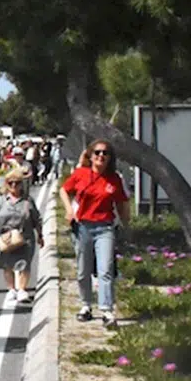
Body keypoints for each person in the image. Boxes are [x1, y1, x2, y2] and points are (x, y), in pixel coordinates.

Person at [61, 140, 130, 326]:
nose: (101, 156)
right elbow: (64, 190)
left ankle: (107, 310)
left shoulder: (114, 179)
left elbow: (122, 203)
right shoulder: (81, 174)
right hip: (83, 226)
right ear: (90, 156)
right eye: (97, 152)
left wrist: (126, 225)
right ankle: (86, 305)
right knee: (83, 270)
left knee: (105, 269)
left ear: (110, 158)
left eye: (105, 153)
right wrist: (69, 210)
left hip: (105, 228)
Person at [0, 169, 45, 304]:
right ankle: (11, 289)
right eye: (10, 183)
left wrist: (40, 235)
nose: (14, 185)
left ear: (21, 184)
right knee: (7, 263)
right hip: (6, 237)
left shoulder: (28, 201)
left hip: (25, 237)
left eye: (17, 183)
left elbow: (36, 219)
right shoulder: (1, 200)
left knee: (24, 263)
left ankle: (22, 289)